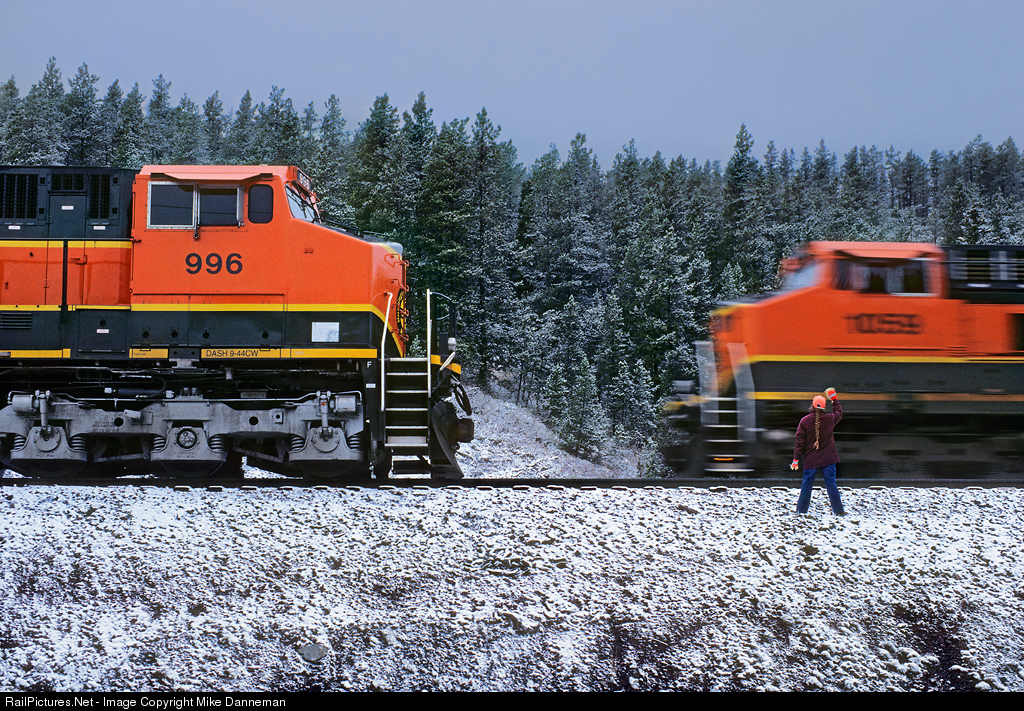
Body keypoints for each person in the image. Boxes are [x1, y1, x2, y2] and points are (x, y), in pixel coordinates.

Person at [790, 387, 846, 515]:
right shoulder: (830, 419)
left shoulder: (804, 421)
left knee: (806, 485)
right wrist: (834, 398)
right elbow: (839, 412)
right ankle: (838, 511)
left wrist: (795, 459)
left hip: (811, 460)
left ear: (812, 405)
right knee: (831, 484)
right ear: (824, 407)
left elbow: (800, 442)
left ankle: (801, 511)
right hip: (828, 459)